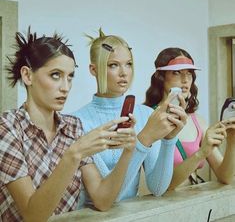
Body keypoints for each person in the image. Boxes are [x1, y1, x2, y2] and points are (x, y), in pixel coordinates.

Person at [0, 28, 137, 222]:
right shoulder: (7, 128)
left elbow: (102, 200)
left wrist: (128, 152)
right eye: (55, 75)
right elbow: (33, 215)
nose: (65, 87)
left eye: (70, 76)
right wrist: (73, 155)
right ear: (27, 75)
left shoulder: (73, 127)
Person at [72, 29, 187, 206]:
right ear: (93, 70)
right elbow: (110, 198)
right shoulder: (77, 123)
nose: (124, 72)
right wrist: (144, 139)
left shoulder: (146, 115)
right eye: (113, 65)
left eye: (129, 64)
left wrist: (168, 141)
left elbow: (157, 188)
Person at [144, 47, 235, 189]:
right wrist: (201, 153)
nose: (185, 79)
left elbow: (225, 177)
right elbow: (161, 186)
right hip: (163, 207)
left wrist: (232, 142)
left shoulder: (197, 120)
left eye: (189, 73)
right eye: (177, 73)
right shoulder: (148, 118)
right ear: (160, 77)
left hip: (192, 204)